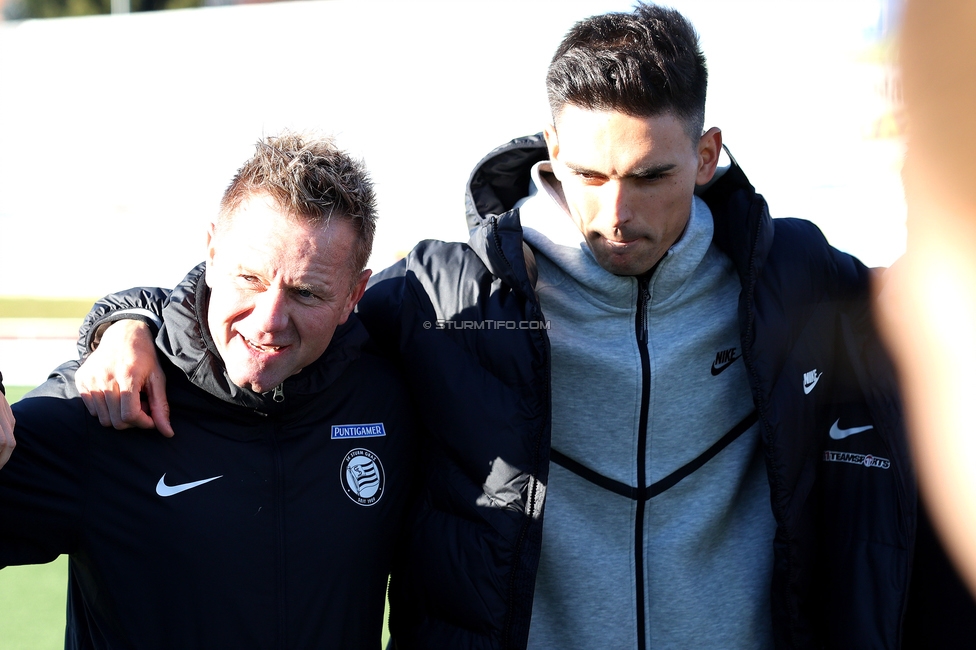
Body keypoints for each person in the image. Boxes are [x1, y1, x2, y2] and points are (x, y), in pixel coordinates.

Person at [66, 4, 914, 649]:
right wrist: (126, 319)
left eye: (651, 175)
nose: (614, 213)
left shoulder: (794, 278)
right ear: (550, 145)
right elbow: (275, 315)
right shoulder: (449, 299)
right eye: (587, 173)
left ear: (706, 153)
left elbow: (937, 313)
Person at [0, 133, 416, 648]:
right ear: (212, 251)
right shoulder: (103, 406)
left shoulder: (394, 399)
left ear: (355, 294)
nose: (269, 322)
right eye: (249, 278)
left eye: (307, 292)